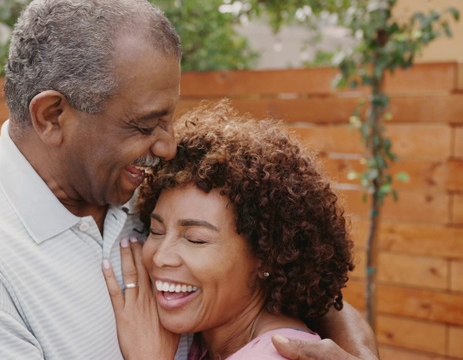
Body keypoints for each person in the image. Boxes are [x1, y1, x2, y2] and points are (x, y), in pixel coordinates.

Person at [0, 0, 377, 359]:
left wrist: (350, 337)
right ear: (53, 116)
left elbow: (281, 258)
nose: (167, 147)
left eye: (169, 119)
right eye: (145, 125)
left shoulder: (148, 188)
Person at [103, 100, 364, 359]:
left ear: (266, 256)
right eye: (156, 231)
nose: (160, 257)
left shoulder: (278, 354)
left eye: (196, 239)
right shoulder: (212, 338)